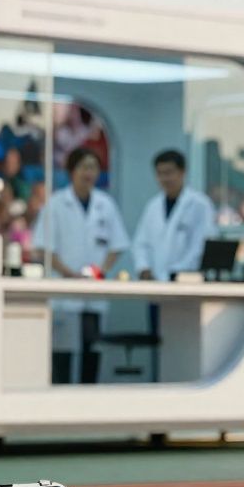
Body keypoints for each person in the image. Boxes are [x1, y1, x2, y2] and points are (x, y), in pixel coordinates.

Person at [31, 147, 129, 384]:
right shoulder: (56, 204)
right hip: (65, 291)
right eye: (84, 167)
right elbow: (44, 248)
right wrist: (70, 274)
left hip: (94, 291)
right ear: (71, 171)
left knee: (91, 351)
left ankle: (89, 399)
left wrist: (100, 272)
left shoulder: (105, 204)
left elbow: (117, 244)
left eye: (93, 168)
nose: (89, 173)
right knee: (62, 353)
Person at [133, 150, 216, 282]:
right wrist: (144, 268)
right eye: (160, 174)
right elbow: (141, 243)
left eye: (169, 173)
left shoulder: (200, 205)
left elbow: (201, 246)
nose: (165, 179)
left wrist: (177, 273)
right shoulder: (153, 206)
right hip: (155, 282)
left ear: (182, 172)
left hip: (186, 282)